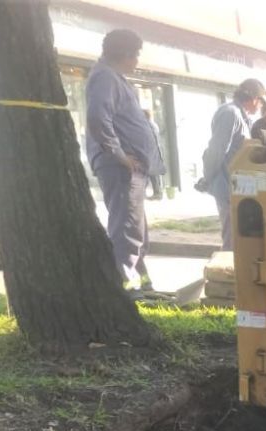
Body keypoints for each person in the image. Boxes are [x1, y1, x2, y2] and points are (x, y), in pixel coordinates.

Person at [85, 29, 165, 293]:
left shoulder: (113, 77)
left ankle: (141, 280)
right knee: (127, 227)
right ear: (126, 54)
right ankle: (126, 286)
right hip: (120, 167)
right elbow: (98, 118)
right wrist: (118, 154)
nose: (137, 61)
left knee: (136, 227)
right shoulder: (105, 78)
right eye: (136, 55)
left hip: (130, 167)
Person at [201, 78, 266, 250]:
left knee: (239, 239)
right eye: (260, 102)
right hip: (226, 185)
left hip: (239, 188)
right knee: (231, 241)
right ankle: (227, 274)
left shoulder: (242, 116)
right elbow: (216, 150)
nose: (259, 107)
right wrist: (207, 179)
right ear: (254, 99)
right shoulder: (230, 113)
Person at [143, 109, 164, 200]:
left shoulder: (148, 125)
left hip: (151, 151)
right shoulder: (154, 124)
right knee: (153, 173)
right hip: (155, 151)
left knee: (151, 173)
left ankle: (157, 193)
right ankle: (157, 193)